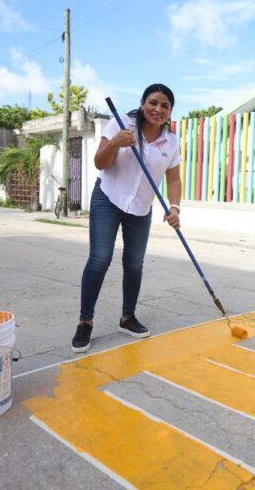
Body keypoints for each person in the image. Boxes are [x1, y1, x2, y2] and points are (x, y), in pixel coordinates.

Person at [71, 84, 181, 353]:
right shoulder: (121, 124)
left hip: (142, 207)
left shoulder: (171, 141)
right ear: (143, 102)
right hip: (108, 198)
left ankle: (127, 318)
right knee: (100, 258)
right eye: (153, 102)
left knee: (134, 263)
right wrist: (118, 143)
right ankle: (85, 321)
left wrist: (175, 207)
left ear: (169, 112)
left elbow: (174, 178)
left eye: (165, 106)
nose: (158, 109)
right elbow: (100, 163)